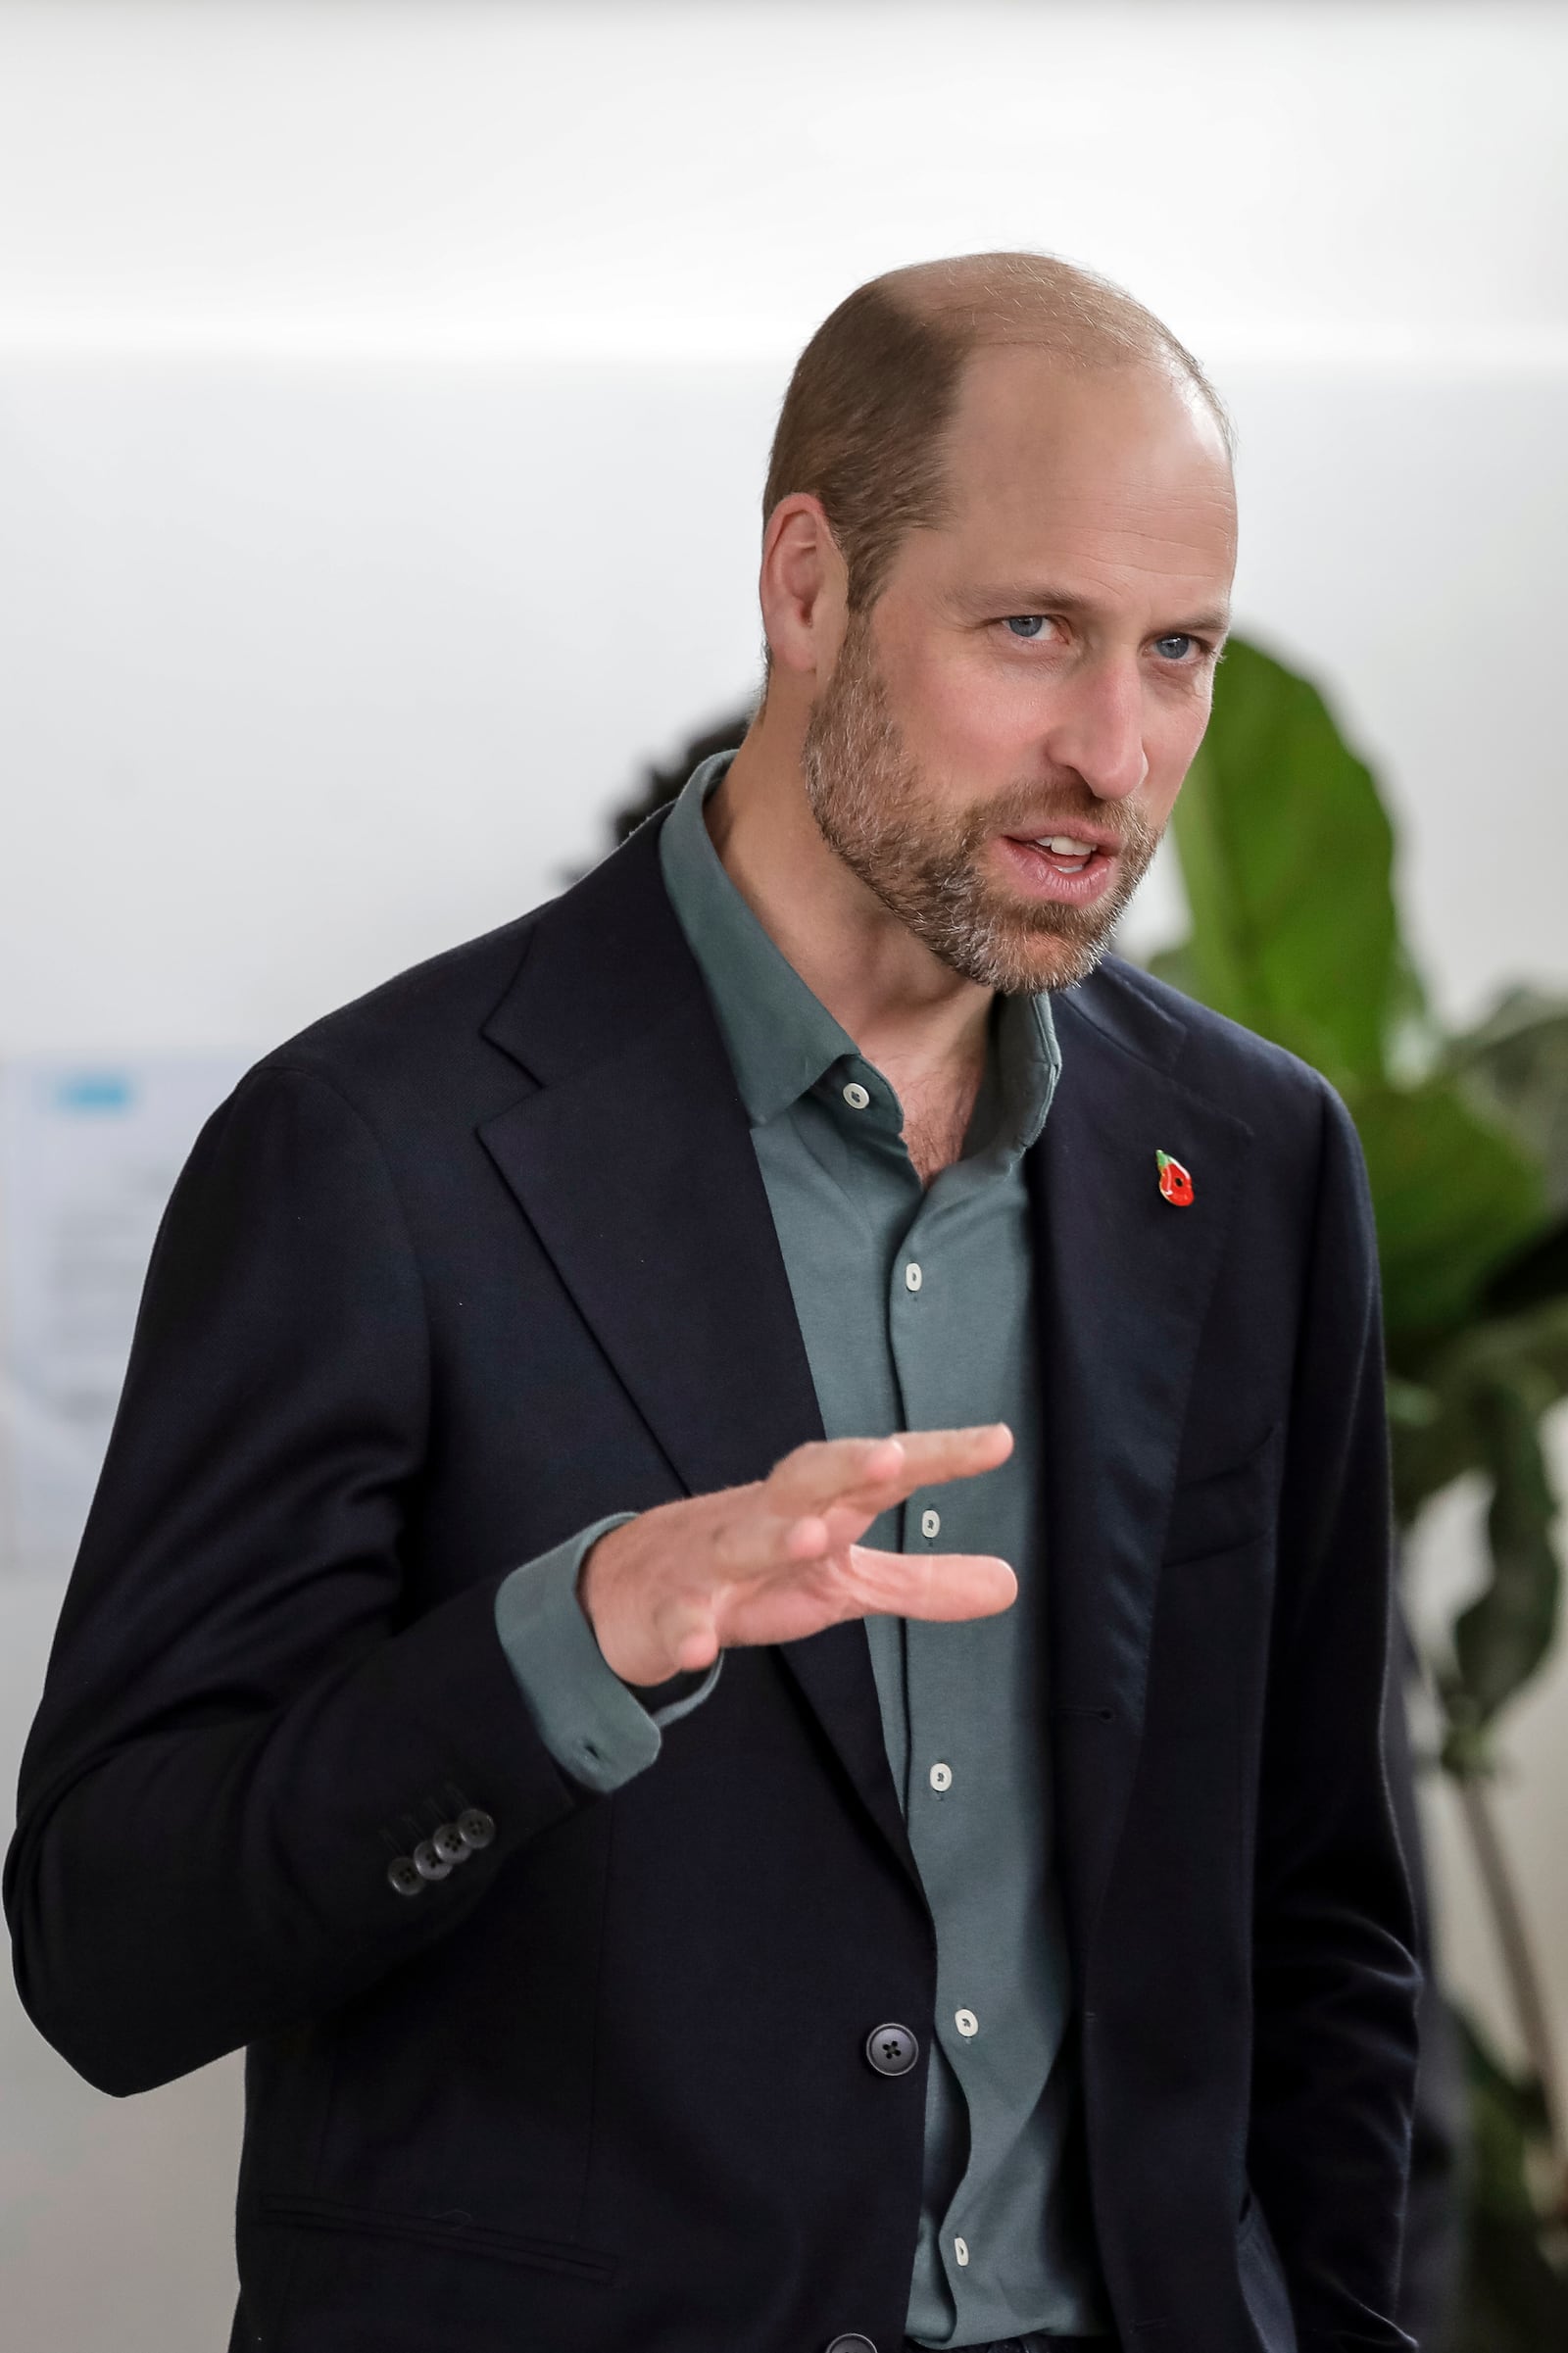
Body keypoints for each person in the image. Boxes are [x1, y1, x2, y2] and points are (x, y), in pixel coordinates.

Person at [6, 253, 1419, 2353]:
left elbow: (1321, 1908)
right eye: (1030, 628)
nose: (1112, 754)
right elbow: (113, 1949)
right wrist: (556, 1649)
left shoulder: (1256, 1160)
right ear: (805, 583)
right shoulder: (370, 1152)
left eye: (1177, 649)